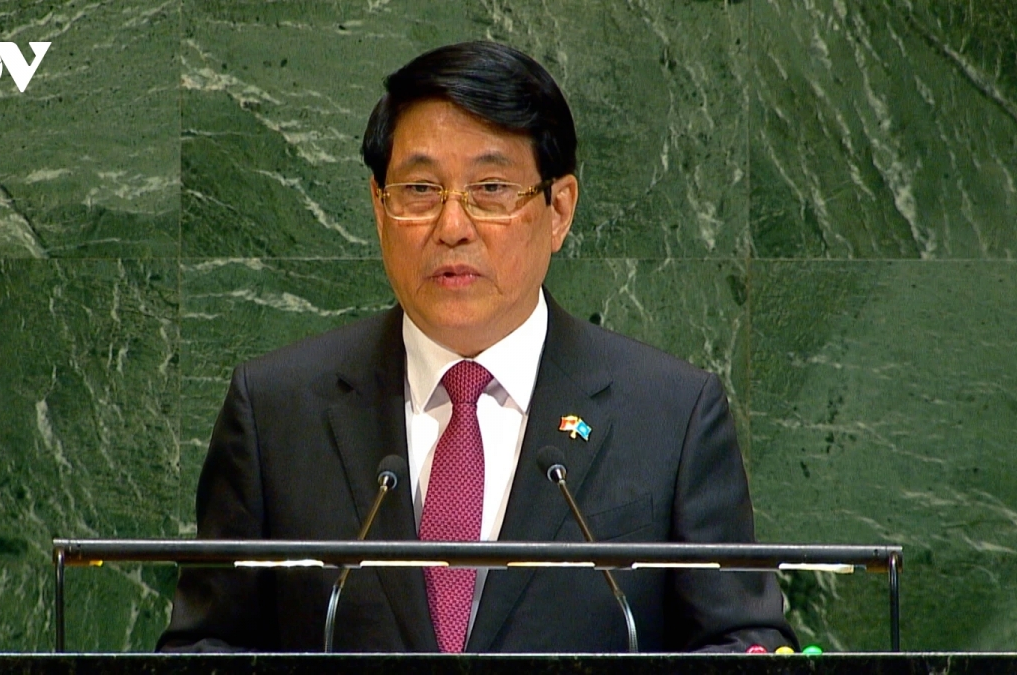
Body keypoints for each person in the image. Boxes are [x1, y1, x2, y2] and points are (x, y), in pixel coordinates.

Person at [158, 41, 795, 653]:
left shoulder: (672, 415)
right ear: (379, 209)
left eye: (491, 189)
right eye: (419, 190)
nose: (452, 227)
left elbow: (741, 639)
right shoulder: (276, 412)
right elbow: (206, 644)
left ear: (558, 209)